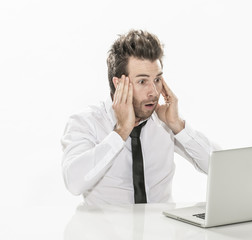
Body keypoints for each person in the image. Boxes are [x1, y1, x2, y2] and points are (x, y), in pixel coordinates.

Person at [61, 30, 220, 205]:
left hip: (162, 229)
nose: (153, 92)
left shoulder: (164, 121)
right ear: (119, 83)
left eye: (157, 80)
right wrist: (121, 132)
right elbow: (74, 183)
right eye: (142, 81)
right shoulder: (86, 123)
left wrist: (178, 126)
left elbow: (223, 170)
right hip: (106, 231)